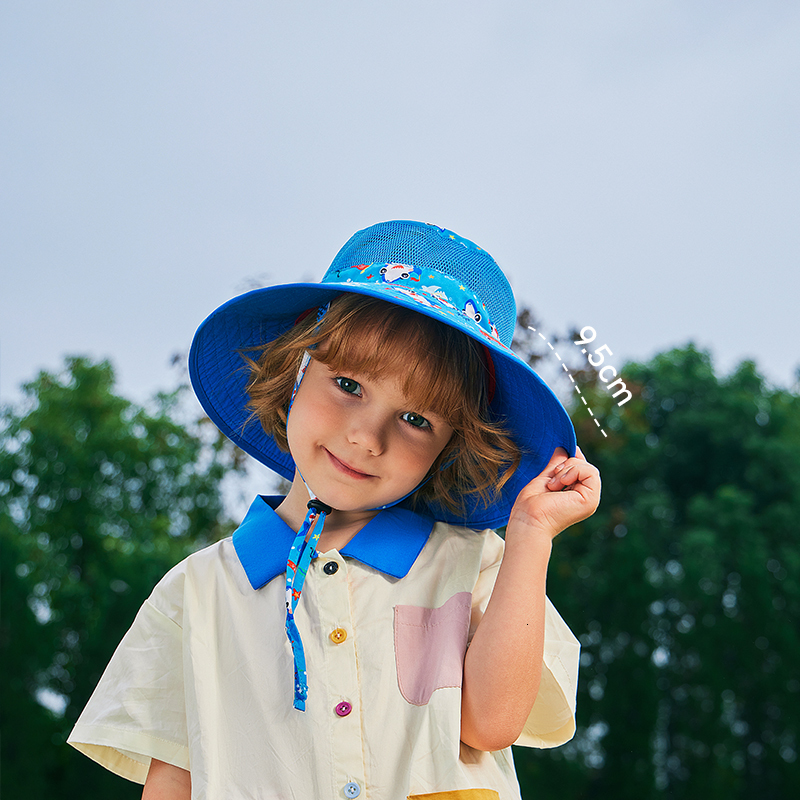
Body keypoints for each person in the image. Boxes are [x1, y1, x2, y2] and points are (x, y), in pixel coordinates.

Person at [68, 220, 601, 800]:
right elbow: (172, 781)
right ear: (295, 370)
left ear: (449, 446)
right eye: (348, 384)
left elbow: (492, 725)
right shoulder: (195, 593)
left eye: (417, 420)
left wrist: (530, 533)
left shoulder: (476, 564)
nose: (367, 438)